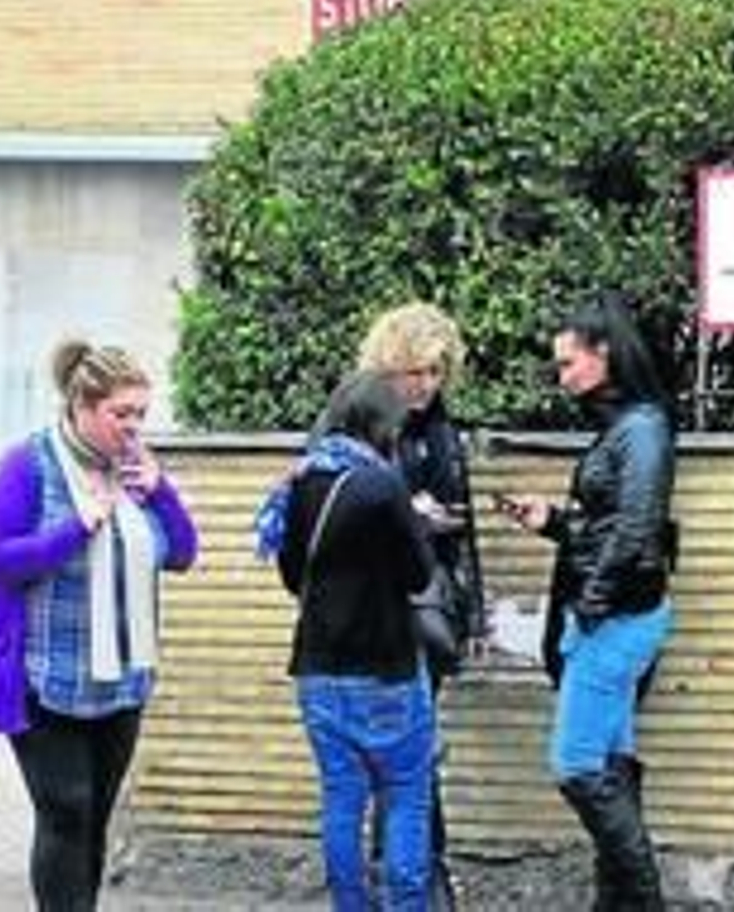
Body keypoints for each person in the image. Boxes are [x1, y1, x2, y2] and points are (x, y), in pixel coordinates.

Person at [0, 338, 198, 911]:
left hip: (119, 675)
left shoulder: (132, 470)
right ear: (82, 406)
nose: (133, 427)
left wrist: (161, 492)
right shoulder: (28, 465)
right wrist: (75, 528)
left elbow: (183, 553)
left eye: (141, 414)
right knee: (65, 810)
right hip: (43, 672)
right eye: (121, 414)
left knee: (94, 815)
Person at [497, 294, 676, 911]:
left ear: (605, 354)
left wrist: (592, 606)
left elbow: (637, 528)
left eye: (569, 362)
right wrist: (552, 521)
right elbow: (608, 527)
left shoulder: (642, 428)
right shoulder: (623, 426)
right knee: (610, 762)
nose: (563, 375)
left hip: (618, 619)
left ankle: (644, 904)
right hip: (614, 613)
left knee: (576, 765)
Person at [258, 370, 438, 911]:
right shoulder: (383, 484)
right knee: (406, 796)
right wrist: (420, 521)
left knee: (341, 800)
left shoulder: (301, 480)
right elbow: (419, 575)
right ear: (382, 424)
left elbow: (294, 578)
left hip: (316, 671)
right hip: (386, 673)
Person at [356, 300, 485, 904]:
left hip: (429, 609)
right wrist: (409, 516)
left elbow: (467, 531)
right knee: (398, 756)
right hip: (378, 613)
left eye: (437, 372)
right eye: (416, 372)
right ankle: (413, 878)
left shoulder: (441, 428)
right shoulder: (363, 428)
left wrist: (474, 611)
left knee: (412, 751)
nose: (427, 386)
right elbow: (337, 520)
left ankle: (419, 874)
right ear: (389, 366)